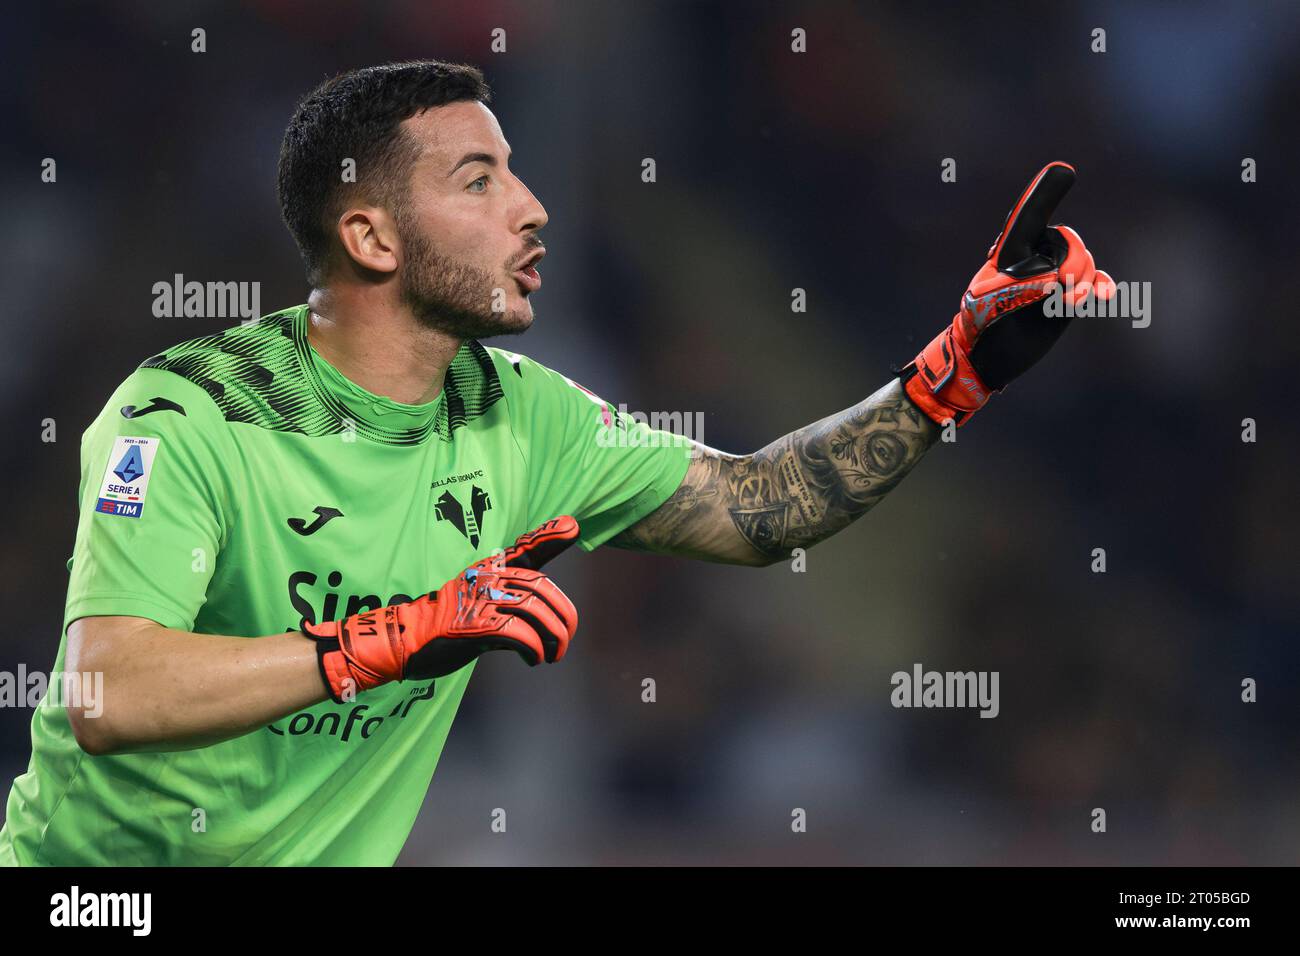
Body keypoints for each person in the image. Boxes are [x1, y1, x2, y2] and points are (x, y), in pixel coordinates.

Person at [0, 60, 1112, 865]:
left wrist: (946, 375)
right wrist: (383, 639)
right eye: (478, 181)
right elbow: (106, 688)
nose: (531, 209)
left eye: (517, 174)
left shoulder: (528, 419)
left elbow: (761, 505)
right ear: (373, 238)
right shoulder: (191, 410)